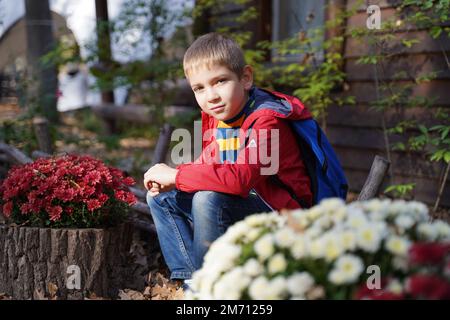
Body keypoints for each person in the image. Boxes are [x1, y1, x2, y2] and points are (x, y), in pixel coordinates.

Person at [144, 32, 312, 287]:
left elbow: (239, 180)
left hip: (285, 216)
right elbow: (209, 164)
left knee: (207, 198)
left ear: (245, 77)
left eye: (219, 81)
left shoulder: (268, 120)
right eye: (199, 88)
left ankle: (212, 288)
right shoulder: (221, 117)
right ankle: (192, 282)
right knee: (160, 198)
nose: (210, 96)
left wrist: (176, 176)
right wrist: (170, 178)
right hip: (251, 204)